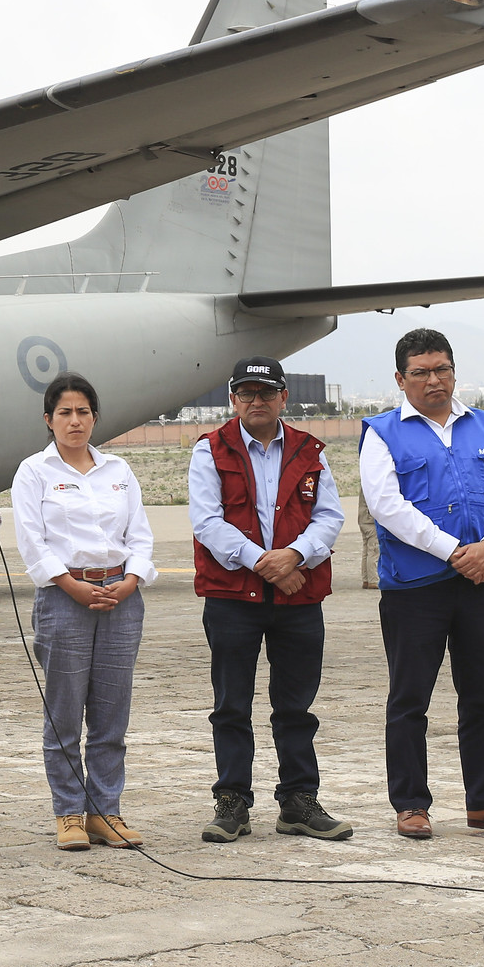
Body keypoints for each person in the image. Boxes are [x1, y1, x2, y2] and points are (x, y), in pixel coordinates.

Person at [360, 328, 484, 841]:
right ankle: (412, 805)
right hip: (416, 586)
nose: (433, 380)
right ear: (401, 378)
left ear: (454, 371)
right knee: (410, 698)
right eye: (420, 372)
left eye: (442, 369)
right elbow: (387, 506)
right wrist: (454, 552)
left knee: (483, 695)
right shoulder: (382, 432)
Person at [188, 357, 352, 844]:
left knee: (296, 706)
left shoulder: (310, 451)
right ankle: (232, 802)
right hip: (233, 597)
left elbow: (329, 516)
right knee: (231, 705)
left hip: (299, 600)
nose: (256, 401)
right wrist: (268, 564)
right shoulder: (209, 450)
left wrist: (296, 556)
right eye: (246, 393)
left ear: (283, 398)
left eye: (266, 392)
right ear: (233, 399)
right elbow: (207, 522)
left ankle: (299, 802)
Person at [11, 372, 156, 852]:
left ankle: (105, 811)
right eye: (65, 413)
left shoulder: (118, 471)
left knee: (112, 714)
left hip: (121, 598)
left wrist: (131, 581)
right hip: (63, 599)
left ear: (95, 417)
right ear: (48, 419)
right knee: (66, 712)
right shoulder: (34, 471)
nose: (75, 421)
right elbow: (33, 542)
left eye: (83, 412)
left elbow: (139, 535)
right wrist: (72, 586)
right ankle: (70, 813)